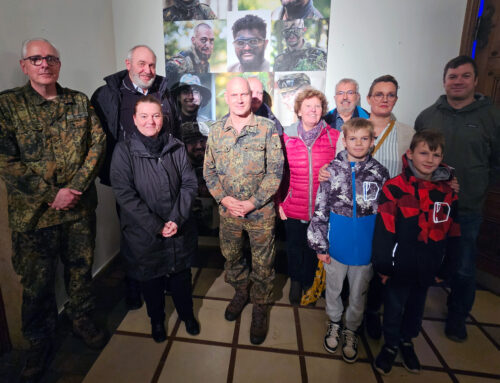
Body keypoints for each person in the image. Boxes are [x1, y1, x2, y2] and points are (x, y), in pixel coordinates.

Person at [0, 38, 107, 382]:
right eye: (36, 59)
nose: (44, 64)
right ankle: (38, 343)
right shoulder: (8, 105)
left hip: (77, 210)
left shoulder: (78, 101)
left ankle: (81, 319)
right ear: (24, 65)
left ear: (59, 64)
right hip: (34, 216)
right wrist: (50, 194)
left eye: (50, 58)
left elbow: (98, 144)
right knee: (36, 284)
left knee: (80, 270)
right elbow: (5, 159)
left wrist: (74, 188)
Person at [414, 55, 500, 342]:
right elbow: (416, 158)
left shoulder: (492, 116)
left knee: (464, 266)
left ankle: (457, 317)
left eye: (465, 76)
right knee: (424, 261)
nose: (458, 81)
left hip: (468, 207)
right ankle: (413, 312)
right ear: (444, 81)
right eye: (453, 76)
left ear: (475, 80)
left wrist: (480, 186)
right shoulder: (428, 116)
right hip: (429, 206)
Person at [91, 44, 178, 311]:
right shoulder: (107, 94)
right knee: (133, 234)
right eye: (141, 64)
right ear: (128, 64)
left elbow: (174, 130)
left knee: (161, 228)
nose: (147, 70)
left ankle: (158, 280)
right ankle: (133, 285)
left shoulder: (164, 91)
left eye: (151, 65)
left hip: (161, 176)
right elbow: (98, 137)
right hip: (127, 178)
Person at [110, 96, 199, 343]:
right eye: (145, 116)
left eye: (156, 116)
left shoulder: (176, 147)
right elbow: (124, 194)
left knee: (181, 277)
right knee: (151, 280)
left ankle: (187, 315)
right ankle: (157, 320)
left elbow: (190, 183)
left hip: (177, 228)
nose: (151, 121)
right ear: (135, 120)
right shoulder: (124, 151)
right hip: (144, 233)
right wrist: (156, 225)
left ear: (163, 118)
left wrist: (176, 219)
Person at [372, 131, 460, 375]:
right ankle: (390, 345)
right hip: (399, 265)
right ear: (410, 154)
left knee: (416, 307)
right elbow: (385, 230)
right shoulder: (394, 188)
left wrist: (447, 267)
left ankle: (406, 340)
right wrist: (383, 265)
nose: (430, 159)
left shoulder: (447, 192)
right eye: (423, 152)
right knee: (393, 307)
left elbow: (453, 231)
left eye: (436, 154)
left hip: (428, 265)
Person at [203, 77, 283, 345]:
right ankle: (240, 291)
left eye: (244, 94)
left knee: (263, 262)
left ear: (252, 97)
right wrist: (223, 199)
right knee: (232, 257)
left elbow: (275, 171)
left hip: (260, 213)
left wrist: (253, 202)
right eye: (234, 94)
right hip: (228, 213)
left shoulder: (267, 128)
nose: (239, 99)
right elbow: (209, 171)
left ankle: (260, 305)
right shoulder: (216, 131)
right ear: (227, 97)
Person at [308, 118, 389, 364]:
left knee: (358, 293)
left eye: (364, 138)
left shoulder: (380, 173)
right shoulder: (331, 170)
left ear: (373, 141)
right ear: (344, 140)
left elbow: (387, 216)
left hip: (366, 248)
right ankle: (334, 323)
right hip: (337, 245)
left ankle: (351, 329)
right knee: (333, 289)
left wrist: (382, 252)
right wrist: (320, 245)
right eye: (353, 138)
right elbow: (320, 209)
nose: (358, 143)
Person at [278, 88, 339, 304]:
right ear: (299, 111)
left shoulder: (334, 137)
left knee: (315, 247)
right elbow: (279, 172)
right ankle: (295, 281)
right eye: (308, 106)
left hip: (323, 207)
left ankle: (308, 281)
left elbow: (341, 169)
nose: (313, 110)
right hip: (293, 204)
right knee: (294, 246)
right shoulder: (285, 136)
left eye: (318, 106)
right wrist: (280, 202)